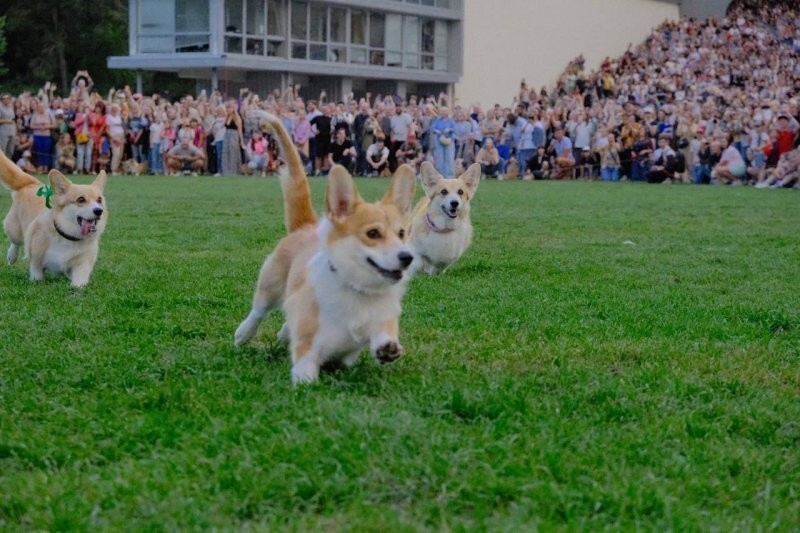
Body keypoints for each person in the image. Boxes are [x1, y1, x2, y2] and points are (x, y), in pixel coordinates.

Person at [430, 107, 456, 177]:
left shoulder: (451, 120)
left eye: (445, 111)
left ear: (448, 112)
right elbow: (432, 128)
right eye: (441, 111)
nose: (443, 113)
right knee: (440, 160)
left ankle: (449, 177)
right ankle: (441, 176)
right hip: (439, 142)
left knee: (449, 159)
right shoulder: (438, 120)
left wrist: (450, 129)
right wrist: (436, 130)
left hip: (449, 142)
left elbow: (455, 129)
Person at [222, 101, 244, 175]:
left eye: (230, 108)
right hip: (227, 135)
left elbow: (240, 129)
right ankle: (226, 171)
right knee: (225, 152)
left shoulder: (237, 117)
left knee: (233, 153)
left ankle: (233, 171)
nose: (228, 109)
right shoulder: (227, 117)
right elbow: (224, 125)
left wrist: (241, 141)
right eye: (227, 108)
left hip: (234, 135)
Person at [0, 93, 17, 159]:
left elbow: (13, 120)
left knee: (10, 151)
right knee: (2, 151)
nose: (6, 100)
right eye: (4, 98)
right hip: (3, 133)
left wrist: (16, 132)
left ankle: (7, 167)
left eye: (8, 98)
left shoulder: (11, 108)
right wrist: (7, 121)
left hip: (12, 132)